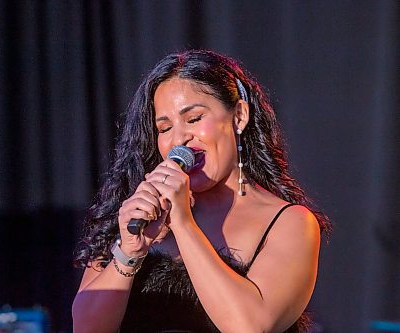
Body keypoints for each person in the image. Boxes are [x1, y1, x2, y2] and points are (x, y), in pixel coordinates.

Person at [72, 49, 331, 333]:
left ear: (239, 116)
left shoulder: (291, 223)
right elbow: (86, 328)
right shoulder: (138, 212)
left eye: (194, 119)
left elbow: (249, 327)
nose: (179, 138)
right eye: (165, 127)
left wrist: (183, 224)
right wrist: (129, 251)